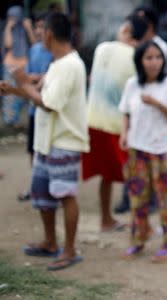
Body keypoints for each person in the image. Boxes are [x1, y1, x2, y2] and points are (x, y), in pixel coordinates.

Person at [5, 12, 89, 271]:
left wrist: (20, 83)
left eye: (42, 30)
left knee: (65, 195)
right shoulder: (58, 63)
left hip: (64, 141)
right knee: (43, 196)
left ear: (50, 34)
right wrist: (16, 88)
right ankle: (51, 243)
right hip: (47, 141)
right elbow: (41, 90)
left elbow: (49, 104)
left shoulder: (70, 65)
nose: (39, 34)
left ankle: (70, 249)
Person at [118, 40, 167, 262]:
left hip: (164, 150)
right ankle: (138, 240)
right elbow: (126, 113)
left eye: (158, 57)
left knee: (166, 199)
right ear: (140, 61)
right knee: (138, 198)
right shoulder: (132, 85)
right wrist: (124, 134)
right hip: (138, 149)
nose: (154, 62)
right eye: (149, 57)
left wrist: (156, 104)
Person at [81, 15, 149, 232]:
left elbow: (93, 79)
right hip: (119, 127)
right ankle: (140, 222)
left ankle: (106, 219)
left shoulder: (102, 48)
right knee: (136, 173)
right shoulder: (137, 57)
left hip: (92, 120)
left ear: (126, 29)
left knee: (106, 175)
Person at [115, 5, 167, 214]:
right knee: (135, 162)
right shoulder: (133, 82)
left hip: (155, 117)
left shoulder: (158, 47)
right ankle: (132, 200)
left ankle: (154, 201)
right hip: (139, 111)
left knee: (156, 164)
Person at [17, 13, 53, 202]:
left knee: (48, 148)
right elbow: (32, 75)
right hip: (34, 107)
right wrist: (34, 78)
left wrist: (31, 79)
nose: (39, 31)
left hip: (48, 105)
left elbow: (45, 78)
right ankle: (36, 186)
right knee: (33, 149)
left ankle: (52, 189)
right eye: (37, 27)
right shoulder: (34, 49)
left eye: (42, 27)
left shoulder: (55, 52)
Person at [1, 5, 35, 127]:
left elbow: (34, 44)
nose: (14, 18)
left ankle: (20, 120)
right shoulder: (7, 29)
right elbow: (8, 44)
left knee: (23, 92)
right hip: (9, 65)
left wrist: (29, 28)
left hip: (24, 65)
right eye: (11, 16)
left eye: (15, 16)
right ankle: (9, 121)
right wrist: (9, 28)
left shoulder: (25, 28)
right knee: (8, 95)